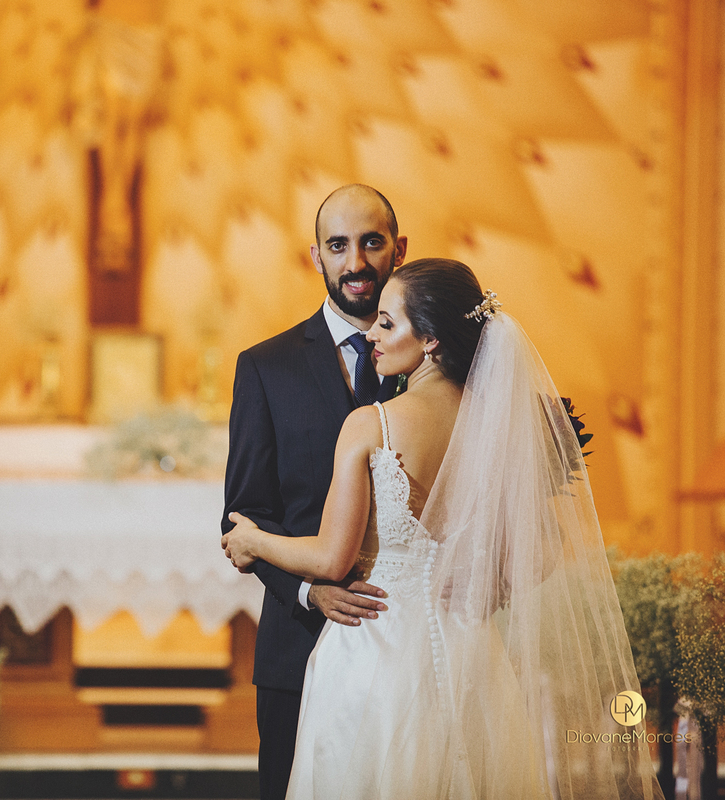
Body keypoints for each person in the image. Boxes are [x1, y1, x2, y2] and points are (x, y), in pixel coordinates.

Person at [222, 259, 663, 799]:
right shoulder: (499, 422)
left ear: (429, 339)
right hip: (469, 653)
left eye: (387, 323)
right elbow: (545, 544)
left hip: (376, 646)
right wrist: (489, 586)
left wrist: (253, 540)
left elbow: (332, 560)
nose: (373, 336)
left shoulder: (371, 424)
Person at [222, 184, 407, 800]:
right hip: (295, 651)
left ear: (398, 251)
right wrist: (310, 590)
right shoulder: (265, 367)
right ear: (316, 256)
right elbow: (241, 518)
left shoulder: (438, 367)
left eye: (371, 243)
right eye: (338, 246)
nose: (355, 262)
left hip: (406, 643)